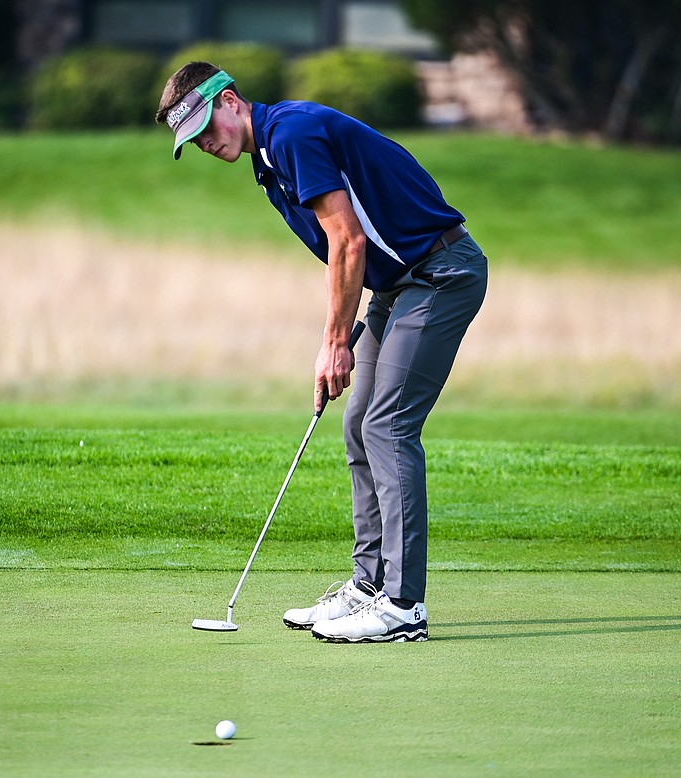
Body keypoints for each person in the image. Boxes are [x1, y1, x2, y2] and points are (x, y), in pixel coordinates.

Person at [157, 62, 487, 643]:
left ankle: (404, 605)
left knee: (388, 426)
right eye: (196, 139)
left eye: (207, 126)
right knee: (360, 423)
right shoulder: (267, 163)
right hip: (398, 285)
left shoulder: (291, 135)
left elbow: (347, 238)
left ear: (231, 102)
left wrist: (335, 342)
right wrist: (344, 334)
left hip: (440, 274)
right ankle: (368, 587)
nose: (207, 143)